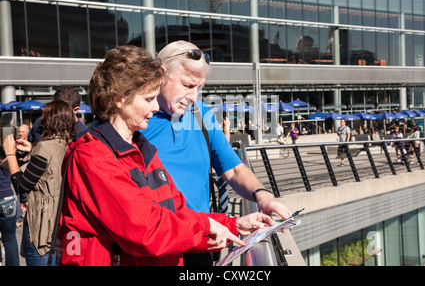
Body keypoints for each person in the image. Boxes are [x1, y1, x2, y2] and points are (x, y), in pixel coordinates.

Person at [58, 45, 274, 266]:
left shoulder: (142, 147)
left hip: (180, 244)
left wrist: (232, 224)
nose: (154, 107)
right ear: (120, 99)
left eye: (199, 87)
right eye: (149, 98)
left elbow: (176, 208)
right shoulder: (95, 155)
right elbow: (144, 229)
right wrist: (209, 227)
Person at [140, 40, 291, 266]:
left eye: (199, 87)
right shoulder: (137, 119)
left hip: (201, 241)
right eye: (187, 85)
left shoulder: (200, 113)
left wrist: (263, 196)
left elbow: (234, 169)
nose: (193, 96)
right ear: (161, 74)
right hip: (155, 248)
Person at [3, 100, 76, 266]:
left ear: (50, 120)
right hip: (64, 224)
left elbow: (22, 185)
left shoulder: (44, 148)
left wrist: (10, 155)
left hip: (43, 228)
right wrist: (33, 148)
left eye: (43, 117)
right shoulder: (70, 144)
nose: (40, 121)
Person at [0, 146, 20, 266]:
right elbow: (15, 176)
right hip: (7, 198)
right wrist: (22, 198)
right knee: (10, 238)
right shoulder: (4, 153)